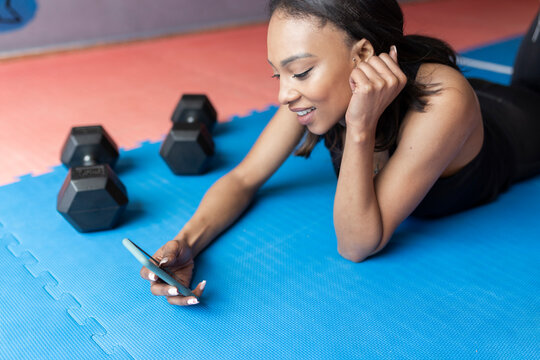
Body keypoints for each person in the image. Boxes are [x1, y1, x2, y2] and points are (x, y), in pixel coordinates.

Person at [140, 0, 540, 306]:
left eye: (299, 72)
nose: (283, 94)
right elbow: (244, 178)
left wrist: (360, 126)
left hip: (524, 117)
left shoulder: (441, 101)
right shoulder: (315, 95)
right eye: (278, 74)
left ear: (363, 56)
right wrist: (185, 244)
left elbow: (356, 245)